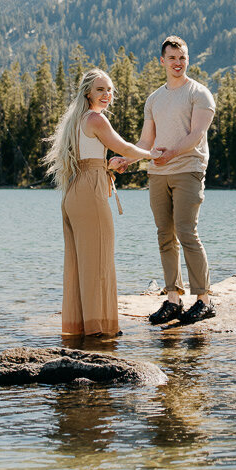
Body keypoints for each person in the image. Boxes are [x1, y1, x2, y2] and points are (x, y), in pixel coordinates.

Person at [43, 68, 160, 340]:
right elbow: (125, 147)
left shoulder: (75, 121)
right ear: (88, 92)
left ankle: (79, 328)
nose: (107, 94)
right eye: (100, 89)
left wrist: (108, 165)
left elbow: (90, 159)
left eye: (109, 89)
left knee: (79, 262)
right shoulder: (96, 119)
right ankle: (100, 329)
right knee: (98, 260)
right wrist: (152, 154)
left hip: (75, 191)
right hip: (90, 192)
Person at [140, 36, 218, 326]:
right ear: (162, 61)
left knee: (187, 232)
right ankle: (173, 299)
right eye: (172, 58)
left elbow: (196, 134)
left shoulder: (200, 94)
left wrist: (170, 153)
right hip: (157, 174)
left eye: (182, 57)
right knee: (164, 235)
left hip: (188, 170)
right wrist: (128, 158)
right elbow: (146, 141)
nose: (177, 63)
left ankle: (204, 300)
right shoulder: (154, 99)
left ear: (188, 59)